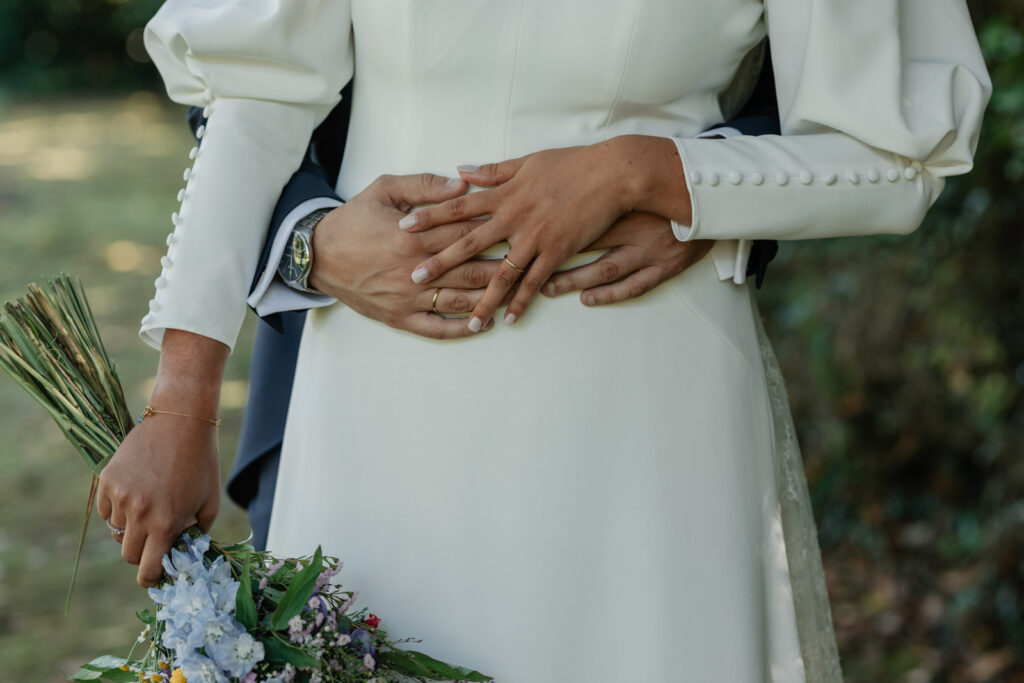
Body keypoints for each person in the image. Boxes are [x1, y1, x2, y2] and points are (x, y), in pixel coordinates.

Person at [97, 1, 990, 680]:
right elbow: (257, 96)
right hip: (380, 402)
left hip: (645, 411)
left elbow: (899, 148)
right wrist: (181, 401)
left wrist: (663, 175)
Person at [223, 58, 783, 552]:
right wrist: (308, 239)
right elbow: (238, 78)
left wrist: (681, 181)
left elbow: (815, 102)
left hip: (649, 369)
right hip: (367, 347)